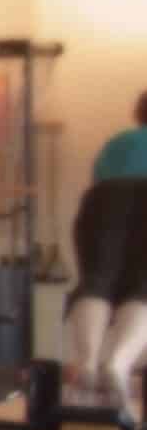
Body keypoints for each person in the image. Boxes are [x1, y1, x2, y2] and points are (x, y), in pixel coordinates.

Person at [65, 94, 147, 404]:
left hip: (104, 199)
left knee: (96, 282)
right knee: (144, 288)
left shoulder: (118, 143)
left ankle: (86, 361)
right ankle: (119, 362)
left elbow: (99, 180)